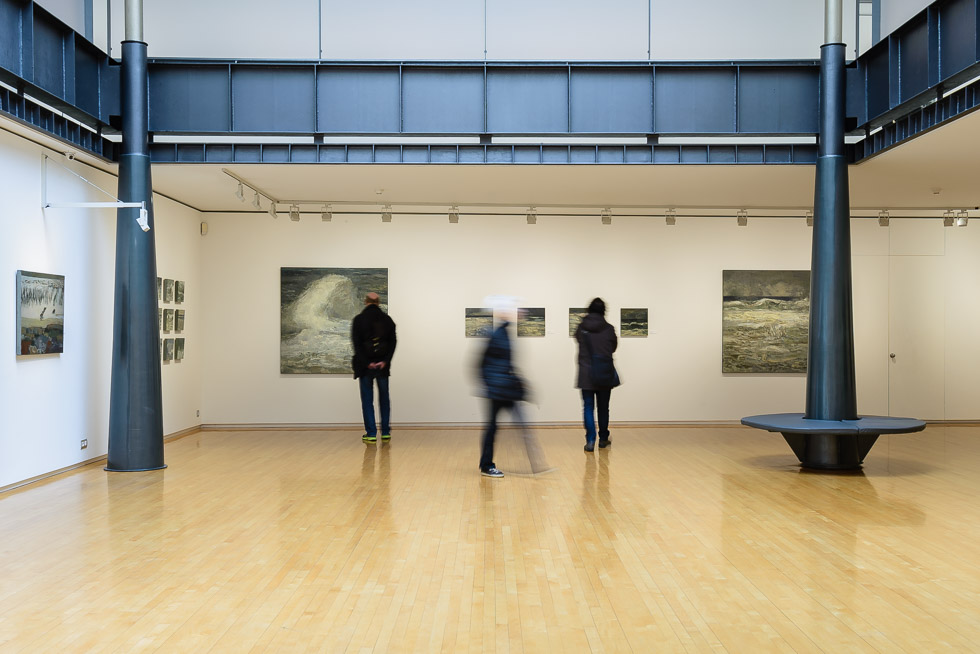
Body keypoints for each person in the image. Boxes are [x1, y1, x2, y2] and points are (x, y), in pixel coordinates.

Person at [478, 301, 526, 478]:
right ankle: (487, 465)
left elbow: (505, 363)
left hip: (502, 388)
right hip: (498, 390)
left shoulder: (503, 333)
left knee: (499, 426)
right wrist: (491, 383)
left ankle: (487, 464)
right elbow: (483, 364)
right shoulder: (498, 334)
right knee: (494, 427)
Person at [351, 292, 397, 443]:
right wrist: (385, 361)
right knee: (384, 399)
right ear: (378, 302)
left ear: (366, 302)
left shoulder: (358, 320)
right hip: (382, 367)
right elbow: (393, 343)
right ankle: (385, 432)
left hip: (365, 368)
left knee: (367, 400)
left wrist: (367, 363)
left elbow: (357, 345)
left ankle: (371, 433)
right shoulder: (387, 320)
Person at [575, 297, 618, 452]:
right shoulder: (609, 329)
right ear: (603, 311)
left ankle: (591, 440)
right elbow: (613, 347)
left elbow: (578, 341)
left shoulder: (581, 328)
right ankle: (604, 438)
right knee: (603, 407)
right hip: (604, 372)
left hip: (586, 373)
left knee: (588, 407)